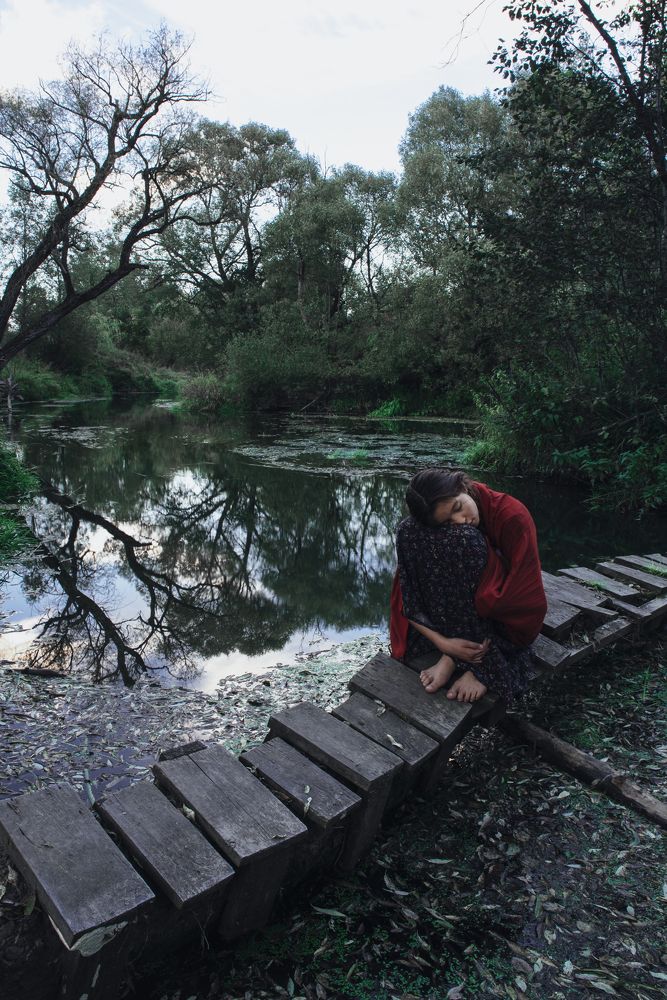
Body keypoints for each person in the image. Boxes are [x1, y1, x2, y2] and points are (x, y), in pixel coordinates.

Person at [389, 468, 547, 704]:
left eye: (457, 508)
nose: (462, 521)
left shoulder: (513, 516)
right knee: (409, 530)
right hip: (461, 615)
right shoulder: (454, 519)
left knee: (467, 540)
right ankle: (453, 652)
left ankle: (474, 662)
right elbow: (409, 591)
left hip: (503, 615)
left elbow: (525, 594)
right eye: (449, 522)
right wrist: (443, 643)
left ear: (462, 486)